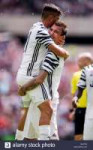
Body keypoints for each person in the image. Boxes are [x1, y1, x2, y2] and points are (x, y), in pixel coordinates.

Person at [15, 3, 69, 140]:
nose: (52, 31)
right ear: (50, 17)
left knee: (27, 123)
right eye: (56, 19)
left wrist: (25, 87)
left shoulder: (35, 26)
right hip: (35, 83)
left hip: (29, 81)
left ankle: (17, 142)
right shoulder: (44, 36)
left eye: (56, 31)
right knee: (47, 113)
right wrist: (65, 52)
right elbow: (41, 78)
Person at [71, 53, 93, 140]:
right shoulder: (85, 71)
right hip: (86, 110)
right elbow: (79, 90)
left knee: (79, 135)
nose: (78, 63)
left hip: (82, 109)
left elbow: (74, 93)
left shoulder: (76, 74)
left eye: (79, 61)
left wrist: (72, 110)